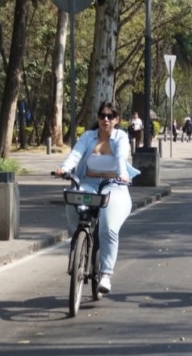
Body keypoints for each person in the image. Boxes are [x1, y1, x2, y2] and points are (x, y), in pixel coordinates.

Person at [55, 101, 140, 294]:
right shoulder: (88, 136)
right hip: (89, 183)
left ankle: (106, 274)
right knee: (73, 199)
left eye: (110, 116)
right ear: (98, 118)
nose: (106, 119)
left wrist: (122, 174)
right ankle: (79, 244)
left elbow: (120, 158)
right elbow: (75, 155)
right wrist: (65, 169)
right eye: (102, 115)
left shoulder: (121, 137)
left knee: (108, 227)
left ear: (117, 119)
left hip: (115, 186)